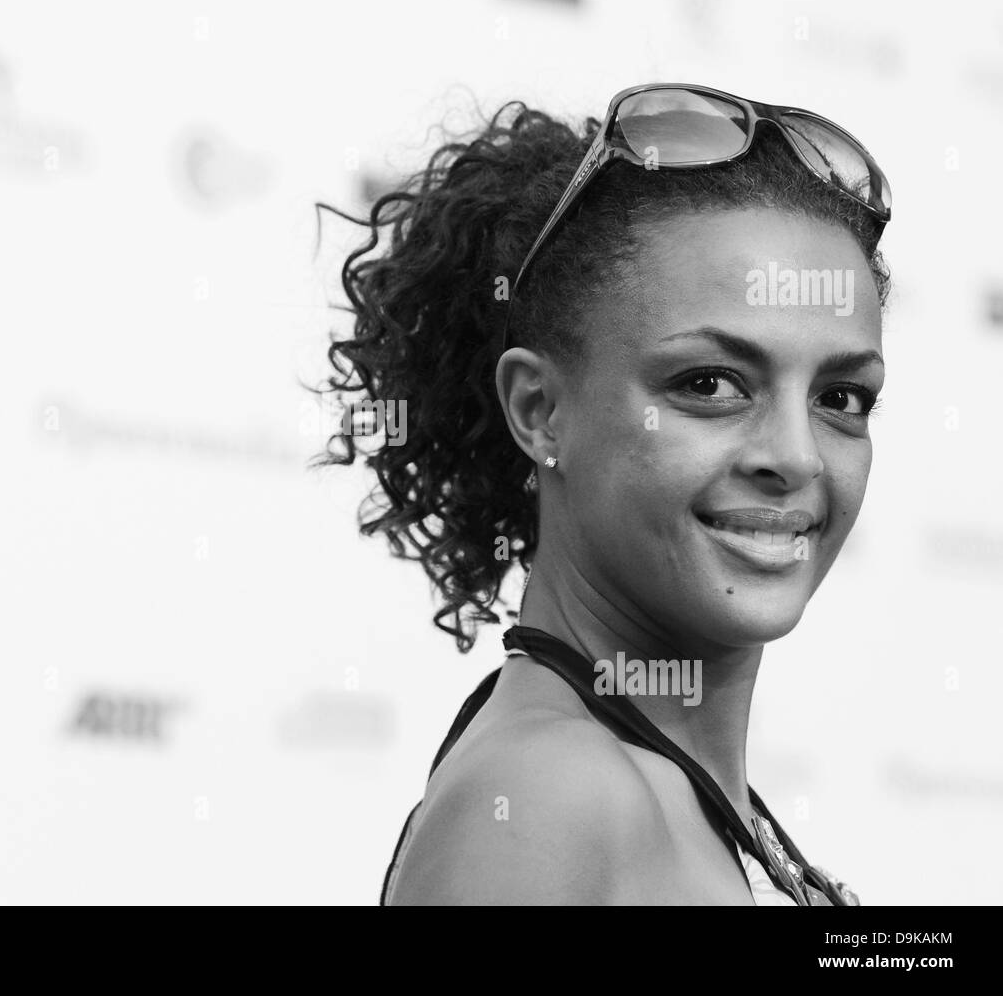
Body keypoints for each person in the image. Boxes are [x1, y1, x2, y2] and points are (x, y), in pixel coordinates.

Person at [315, 84, 889, 905]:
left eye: (841, 397)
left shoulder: (660, 788)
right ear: (540, 412)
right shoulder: (546, 801)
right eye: (711, 383)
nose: (796, 456)